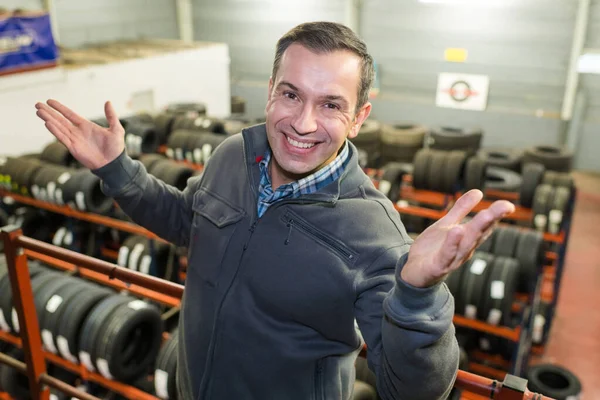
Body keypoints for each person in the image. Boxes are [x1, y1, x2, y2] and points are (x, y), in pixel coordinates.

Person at [35, 21, 514, 400]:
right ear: (270, 89)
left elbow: (409, 390)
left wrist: (418, 295)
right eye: (291, 94)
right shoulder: (232, 155)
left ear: (360, 117)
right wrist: (119, 169)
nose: (303, 123)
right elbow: (186, 222)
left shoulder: (374, 234)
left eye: (330, 104)